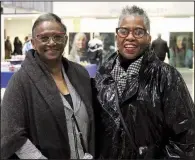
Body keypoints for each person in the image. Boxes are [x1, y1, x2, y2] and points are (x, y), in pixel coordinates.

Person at [93, 5, 195, 159]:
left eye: (139, 31)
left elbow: (186, 137)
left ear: (148, 38)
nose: (130, 37)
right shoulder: (102, 75)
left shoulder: (167, 76)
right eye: (123, 31)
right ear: (117, 36)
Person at [1, 13, 95, 159]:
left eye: (57, 37)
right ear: (33, 43)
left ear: (65, 39)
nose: (51, 42)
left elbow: (93, 120)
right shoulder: (21, 81)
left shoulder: (80, 74)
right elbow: (12, 134)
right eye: (44, 38)